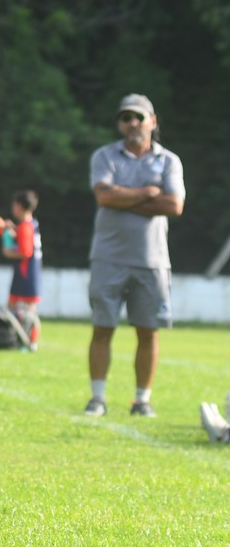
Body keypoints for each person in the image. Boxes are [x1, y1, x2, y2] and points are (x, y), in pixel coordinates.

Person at [85, 94, 184, 418]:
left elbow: (174, 206)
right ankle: (97, 398)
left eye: (139, 117)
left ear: (153, 122)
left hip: (152, 260)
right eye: (126, 117)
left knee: (148, 331)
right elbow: (103, 196)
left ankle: (142, 400)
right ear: (120, 123)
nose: (132, 123)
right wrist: (148, 193)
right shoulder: (104, 156)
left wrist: (122, 197)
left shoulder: (169, 161)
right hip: (108, 257)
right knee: (102, 329)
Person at [1, 190, 42, 352]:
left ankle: (25, 341)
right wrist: (14, 231)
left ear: (18, 205)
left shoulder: (25, 226)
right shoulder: (31, 224)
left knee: (24, 310)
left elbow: (25, 251)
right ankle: (24, 340)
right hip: (31, 273)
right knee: (24, 308)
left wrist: (7, 250)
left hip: (25, 274)